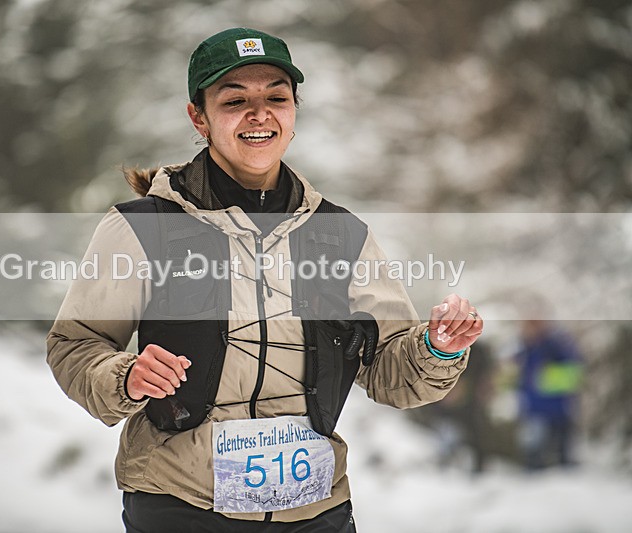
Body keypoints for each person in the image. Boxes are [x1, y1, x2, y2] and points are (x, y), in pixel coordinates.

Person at [46, 28, 483, 532]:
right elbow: (74, 345)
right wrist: (124, 376)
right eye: (236, 100)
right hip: (181, 507)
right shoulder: (141, 228)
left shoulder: (340, 235)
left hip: (315, 511)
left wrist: (438, 348)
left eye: (276, 97)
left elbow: (391, 372)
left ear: (294, 111)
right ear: (199, 117)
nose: (260, 114)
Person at [515, 319, 582, 471]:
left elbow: (573, 371)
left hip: (555, 407)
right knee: (533, 450)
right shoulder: (525, 350)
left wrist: (543, 378)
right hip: (533, 408)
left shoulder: (555, 346)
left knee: (560, 449)